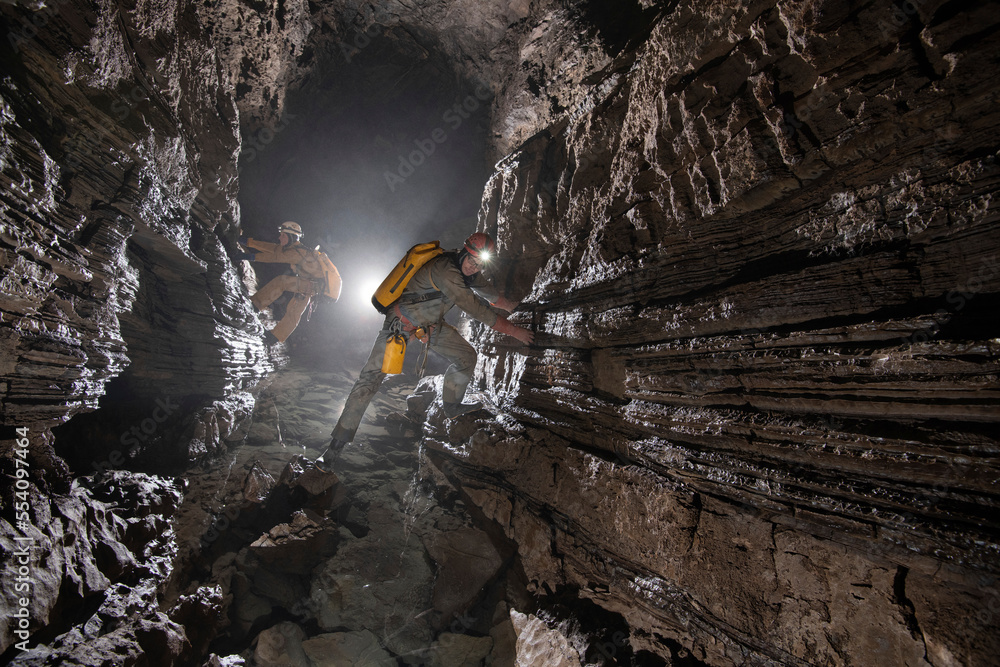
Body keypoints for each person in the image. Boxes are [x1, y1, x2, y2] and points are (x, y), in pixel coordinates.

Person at [315, 232, 533, 471]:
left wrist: (522, 306)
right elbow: (477, 310)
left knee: (466, 357)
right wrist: (515, 332)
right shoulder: (446, 270)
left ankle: (451, 406)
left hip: (429, 326)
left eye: (480, 265)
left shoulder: (469, 273)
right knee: (370, 380)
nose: (474, 268)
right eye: (472, 261)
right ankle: (334, 448)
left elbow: (492, 297)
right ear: (464, 252)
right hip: (400, 324)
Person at [241, 221, 330, 343]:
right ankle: (274, 336)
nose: (279, 237)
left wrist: (250, 256)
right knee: (294, 308)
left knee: (282, 284)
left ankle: (256, 306)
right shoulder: (294, 248)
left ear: (291, 237)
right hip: (311, 283)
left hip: (314, 286)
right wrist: (249, 242)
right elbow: (273, 248)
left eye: (283, 235)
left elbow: (275, 257)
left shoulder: (298, 253)